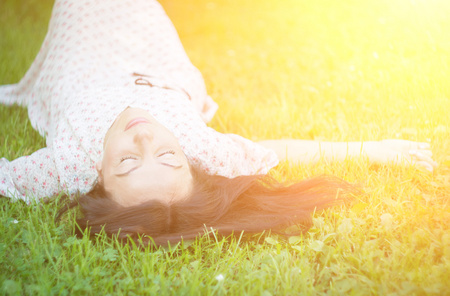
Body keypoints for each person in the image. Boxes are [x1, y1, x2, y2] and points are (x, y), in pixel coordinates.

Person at [0, 0, 437, 246]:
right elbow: (278, 150)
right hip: (156, 63)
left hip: (83, 61)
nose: (146, 136)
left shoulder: (68, 167)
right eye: (167, 157)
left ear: (97, 179)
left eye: (128, 163)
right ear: (189, 163)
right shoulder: (201, 150)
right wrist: (370, 150)